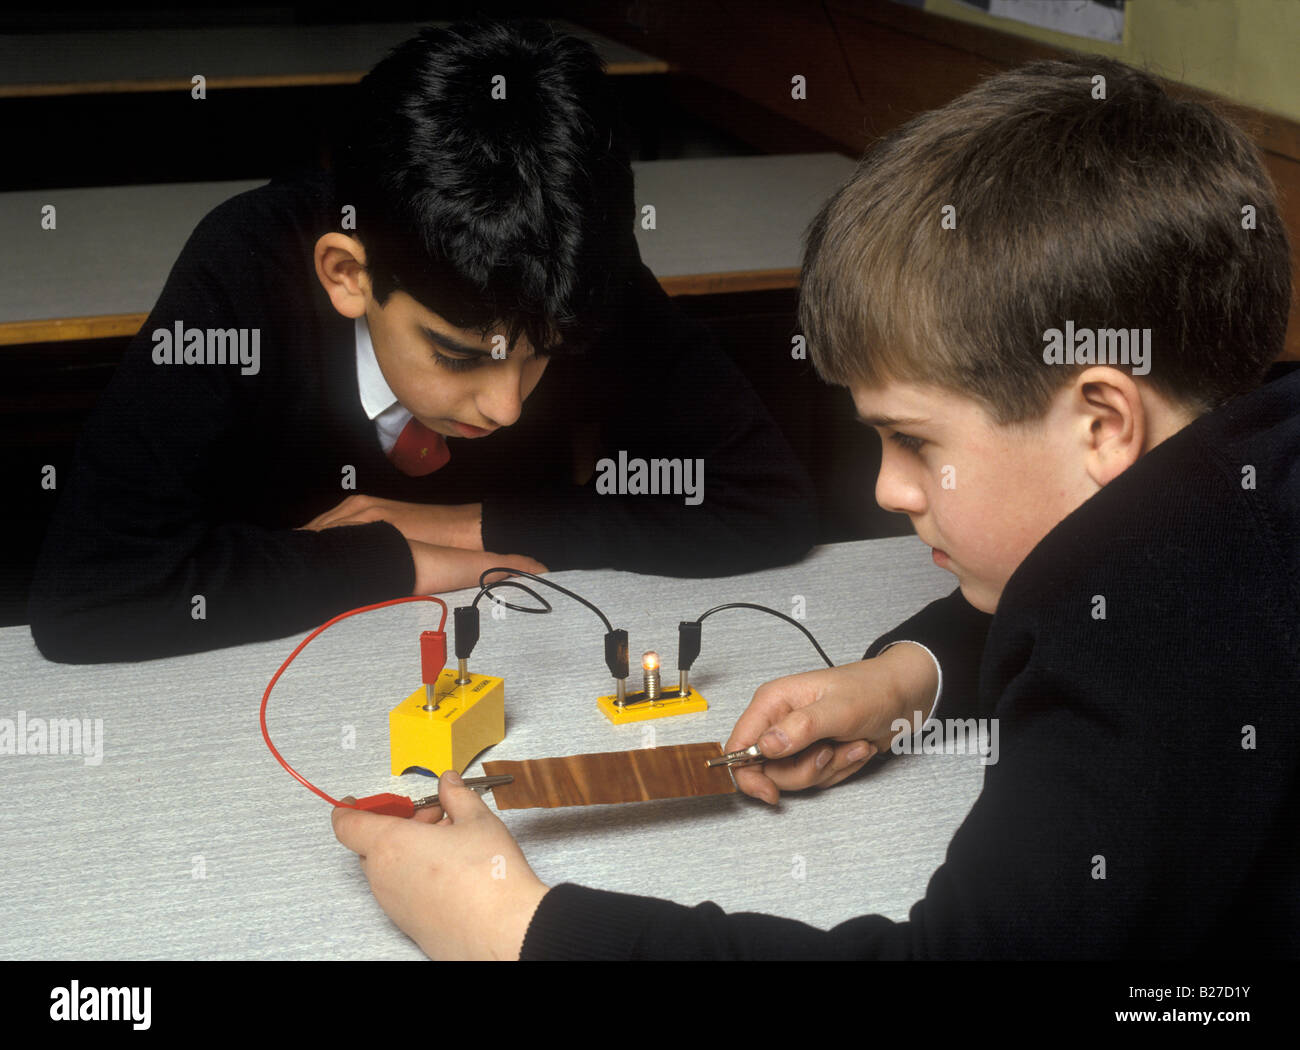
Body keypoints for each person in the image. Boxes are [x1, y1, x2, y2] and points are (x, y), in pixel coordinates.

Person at [331, 56, 1299, 959]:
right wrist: (905, 681)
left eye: (914, 442)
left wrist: (517, 928)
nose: (884, 490)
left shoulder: (1154, 634)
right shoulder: (1250, 470)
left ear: (1101, 423)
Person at [27, 20, 815, 663]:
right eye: (458, 354)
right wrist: (393, 559)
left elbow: (767, 502)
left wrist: (473, 524)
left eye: (544, 354)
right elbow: (91, 594)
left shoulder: (569, 272)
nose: (507, 406)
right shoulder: (243, 272)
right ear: (347, 276)